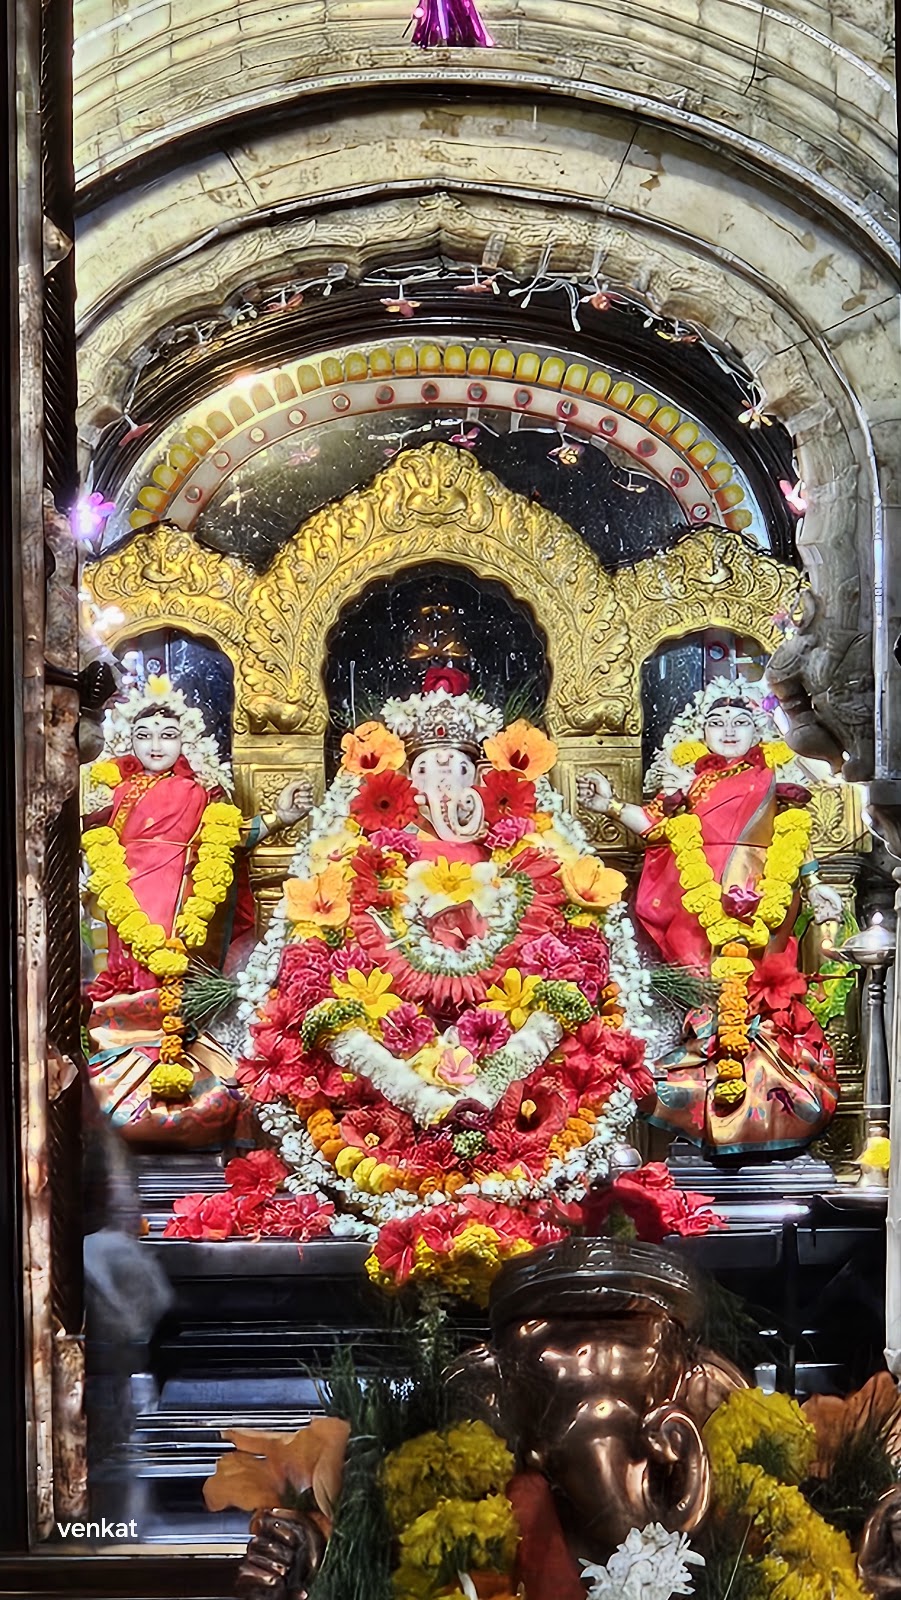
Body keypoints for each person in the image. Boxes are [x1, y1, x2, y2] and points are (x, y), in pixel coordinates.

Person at [578, 683, 843, 1153]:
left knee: (763, 994)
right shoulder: (690, 783)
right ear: (700, 732)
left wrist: (816, 883)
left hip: (766, 896)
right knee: (706, 996)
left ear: (756, 729)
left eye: (739, 722)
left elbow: (796, 838)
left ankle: (776, 1107)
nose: (728, 731)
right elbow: (660, 827)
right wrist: (610, 806)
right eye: (716, 723)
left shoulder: (774, 775)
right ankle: (703, 1099)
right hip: (699, 904)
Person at [82, 675, 312, 1142]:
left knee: (182, 990)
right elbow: (80, 838)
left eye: (168, 735)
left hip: (185, 904)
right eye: (143, 735)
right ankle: (124, 1096)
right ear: (128, 740)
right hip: (126, 899)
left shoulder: (202, 792)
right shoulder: (113, 792)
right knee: (131, 986)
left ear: (186, 740)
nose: (156, 745)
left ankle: (189, 1098)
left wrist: (279, 818)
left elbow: (227, 840)